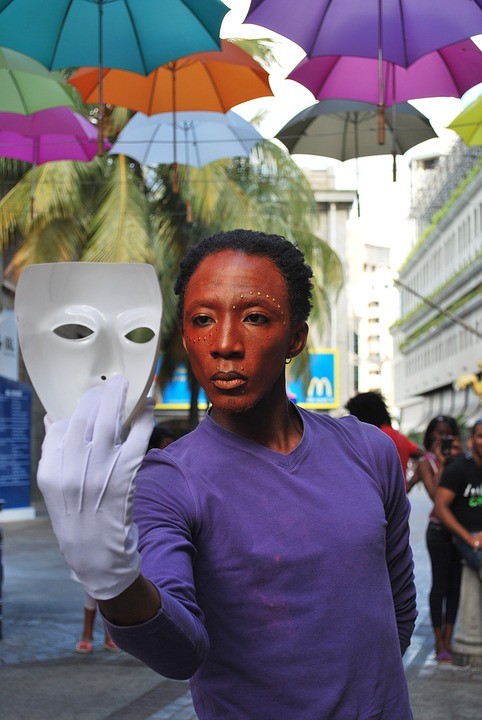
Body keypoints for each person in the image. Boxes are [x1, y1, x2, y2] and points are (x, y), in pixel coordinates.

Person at [37, 230, 416, 720]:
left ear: (295, 338)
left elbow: (398, 609)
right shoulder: (169, 482)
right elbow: (180, 653)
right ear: (185, 336)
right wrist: (113, 580)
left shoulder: (368, 451)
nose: (224, 344)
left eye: (255, 317)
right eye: (202, 320)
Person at [415, 415, 463, 663]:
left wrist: (459, 457)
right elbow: (436, 497)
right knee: (440, 586)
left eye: (448, 433)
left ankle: (449, 637)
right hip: (438, 532)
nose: (443, 438)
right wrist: (443, 464)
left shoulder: (462, 460)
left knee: (455, 587)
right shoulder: (426, 464)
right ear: (430, 436)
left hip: (461, 531)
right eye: (439, 433)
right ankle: (438, 641)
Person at [345, 391, 424, 488]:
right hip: (397, 494)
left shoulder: (369, 437)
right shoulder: (400, 437)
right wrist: (409, 484)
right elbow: (425, 456)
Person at [435, 419, 482, 582]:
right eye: (480, 436)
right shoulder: (457, 468)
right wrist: (471, 539)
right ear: (471, 439)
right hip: (467, 536)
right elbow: (440, 507)